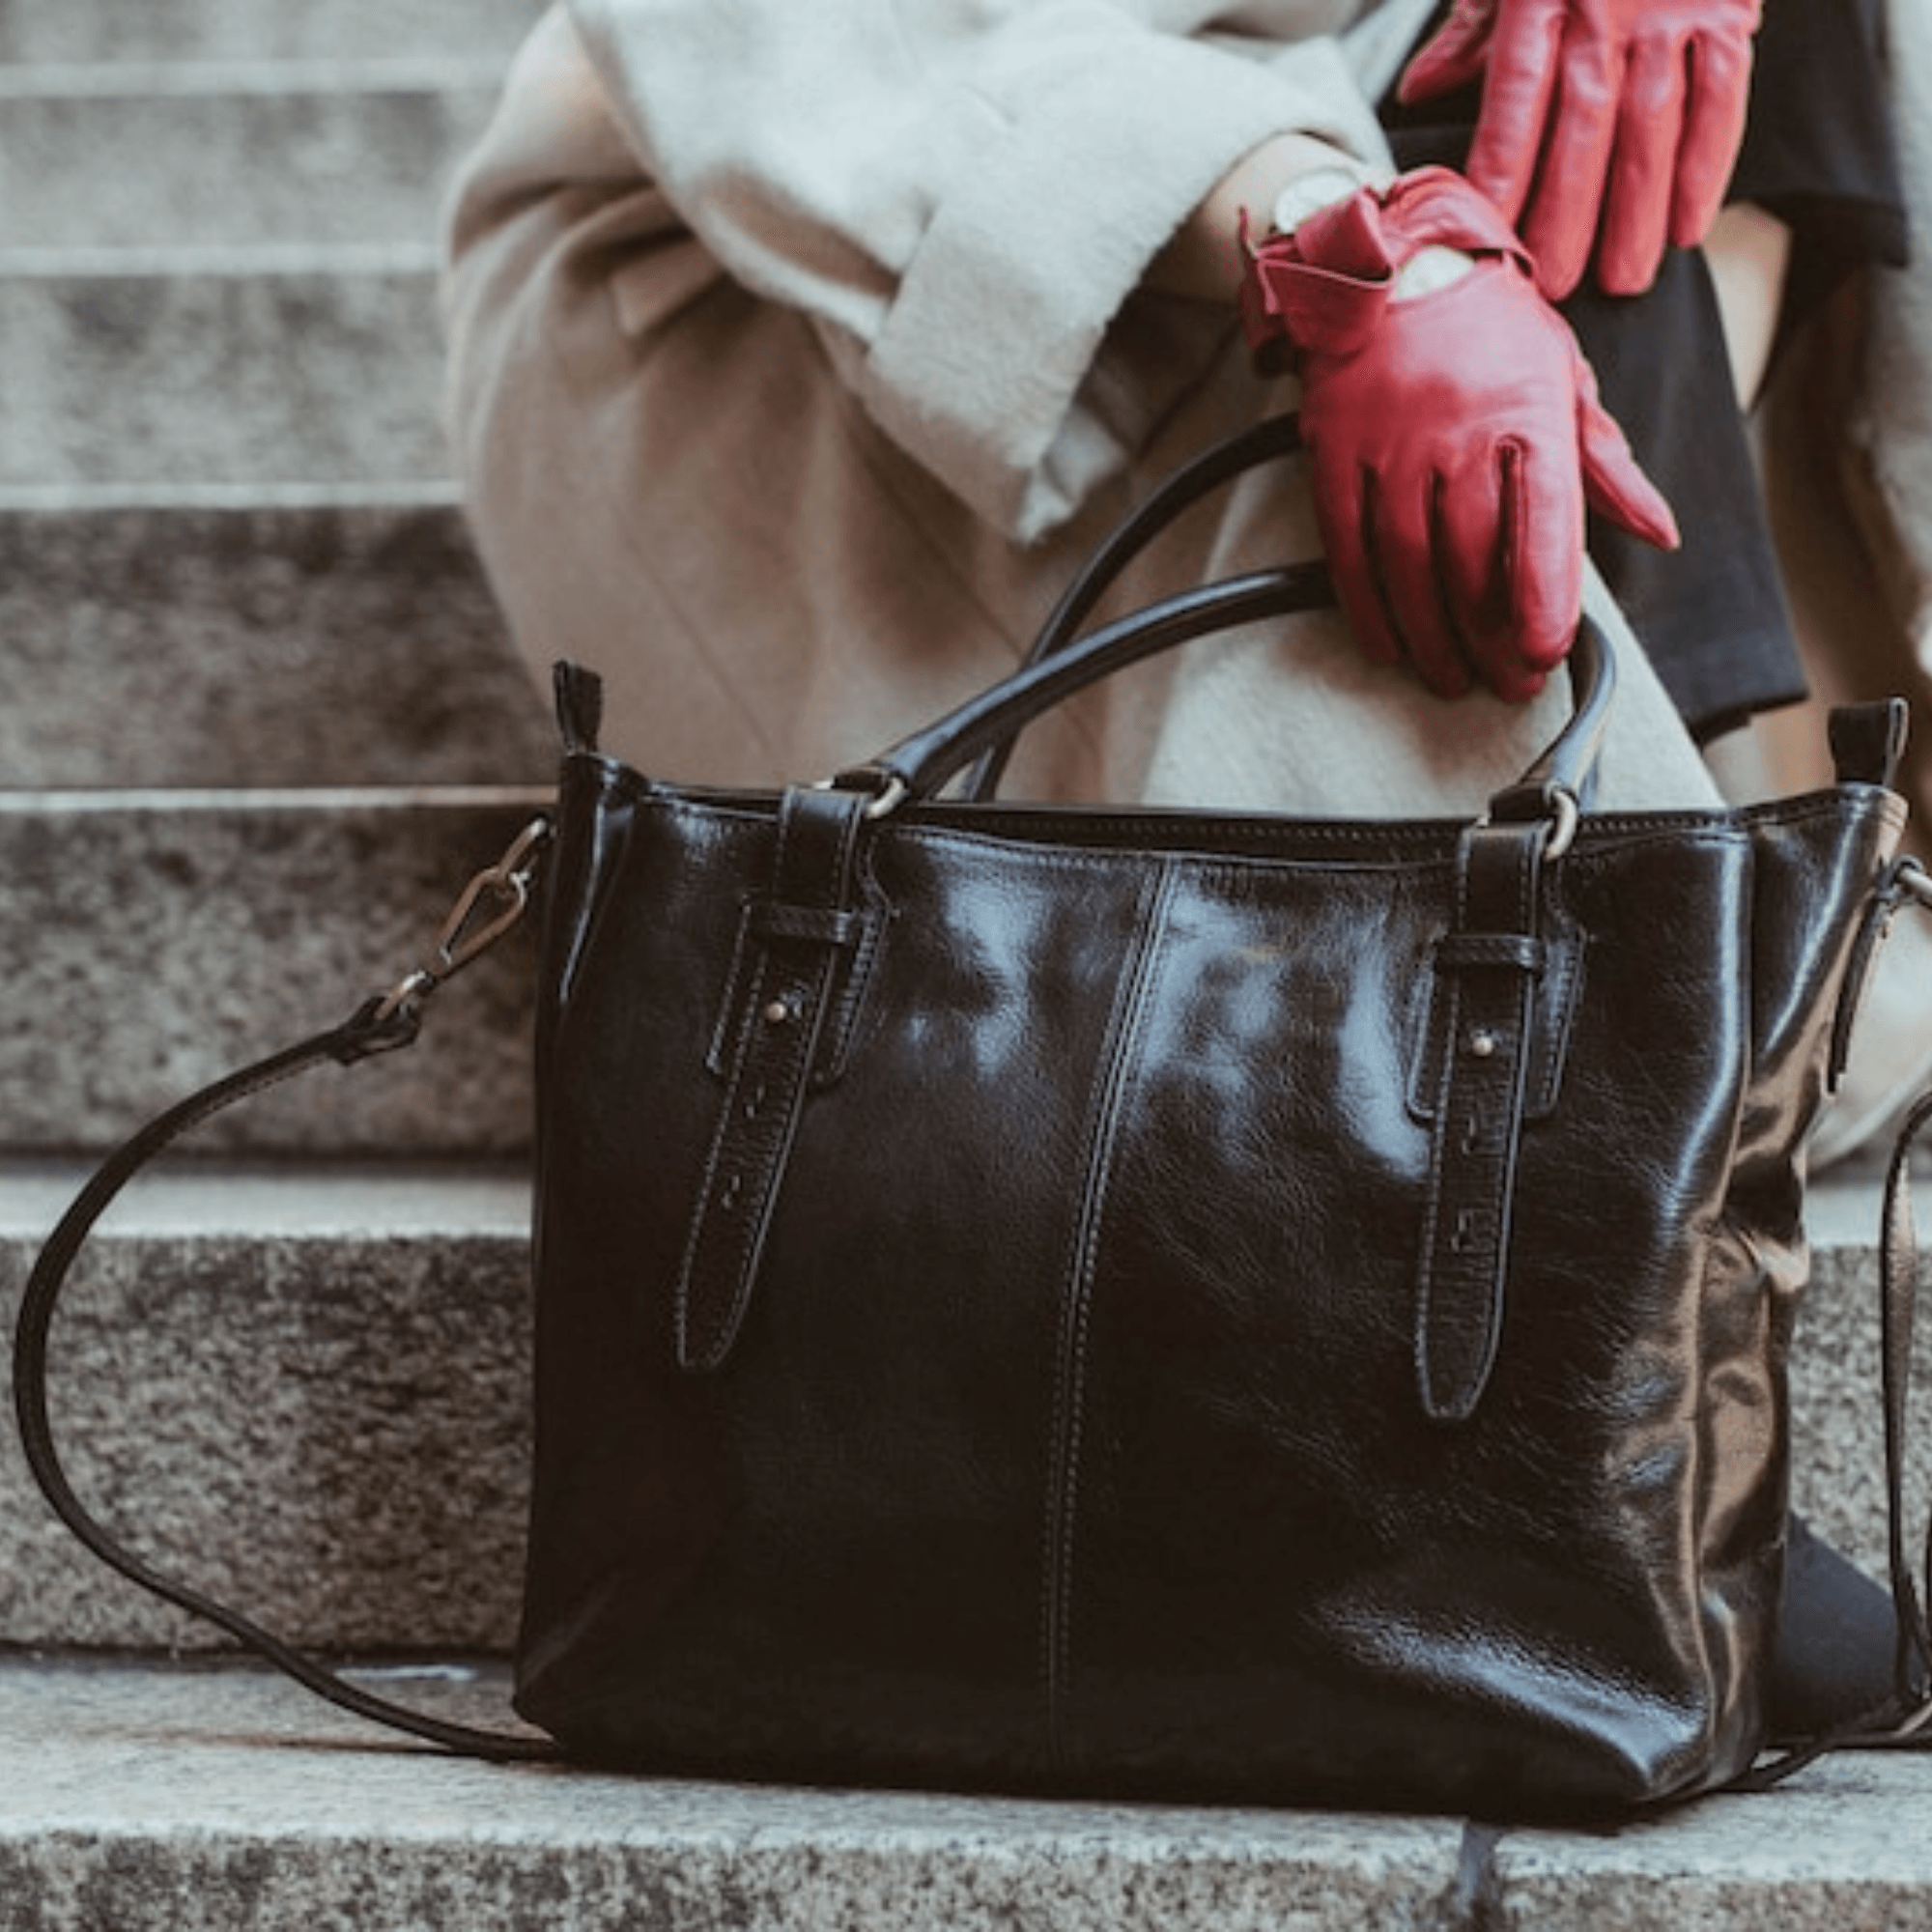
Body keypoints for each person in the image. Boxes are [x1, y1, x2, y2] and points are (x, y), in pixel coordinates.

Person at [441, 0, 1918, 1734]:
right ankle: (1529, 1344)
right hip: (821, 238)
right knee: (1369, 288)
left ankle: (1602, 979)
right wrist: (1346, 241)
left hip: (1374, 171)